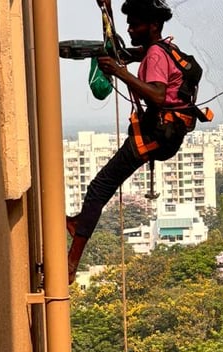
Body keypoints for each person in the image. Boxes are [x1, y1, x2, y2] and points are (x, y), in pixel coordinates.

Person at [66, 0, 192, 284]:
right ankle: (77, 226)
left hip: (157, 134)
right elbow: (120, 50)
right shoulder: (163, 49)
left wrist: (120, 73)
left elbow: (158, 96)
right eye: (129, 23)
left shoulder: (157, 55)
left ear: (153, 26)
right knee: (102, 186)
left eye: (135, 24)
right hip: (166, 133)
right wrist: (106, 12)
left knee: (101, 186)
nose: (131, 28)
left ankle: (72, 260)